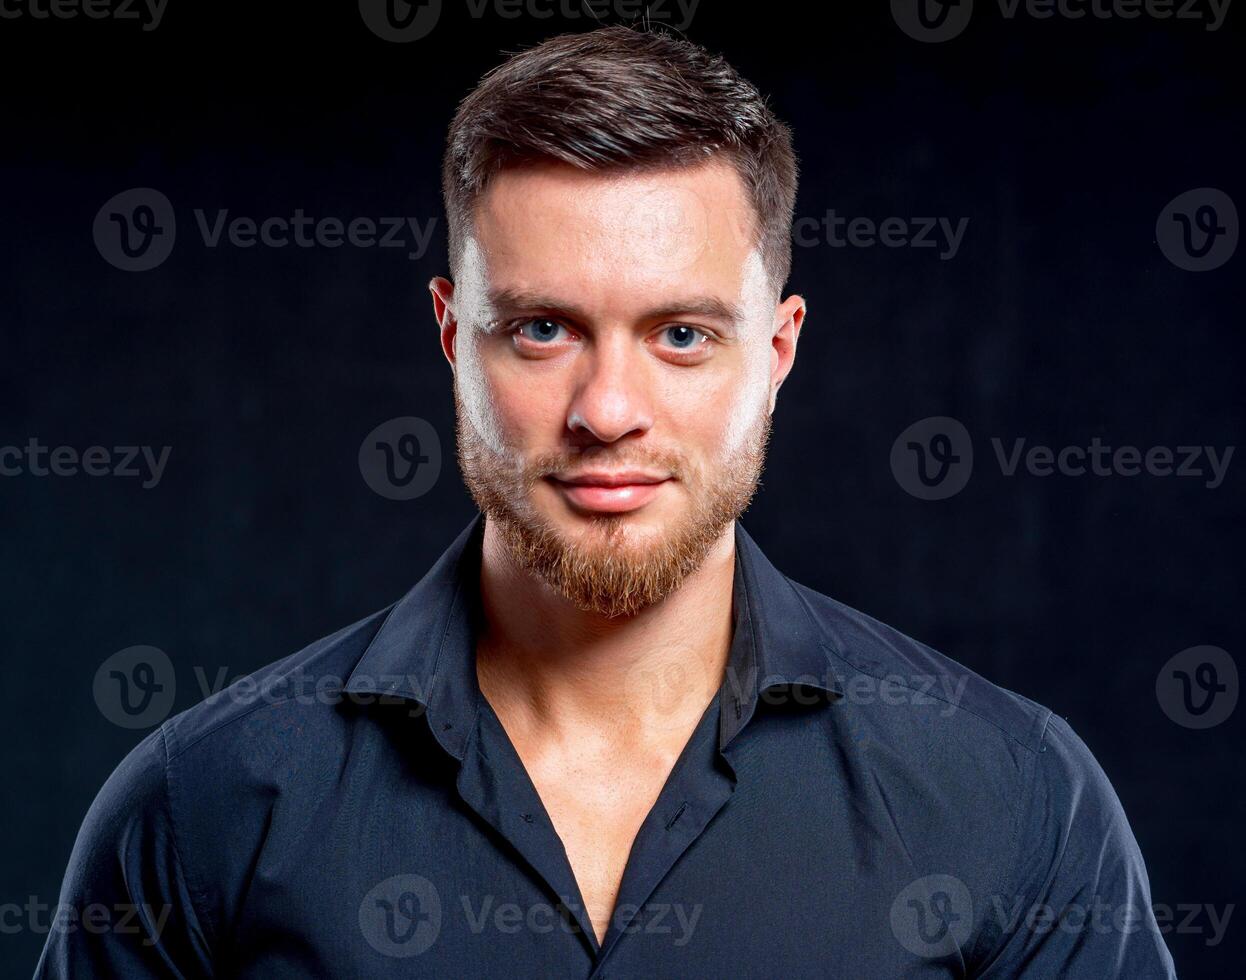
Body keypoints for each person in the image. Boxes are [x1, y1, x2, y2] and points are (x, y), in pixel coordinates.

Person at [37, 25, 1177, 978]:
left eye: (681, 334)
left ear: (776, 351)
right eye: (542, 328)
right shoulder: (201, 809)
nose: (607, 408)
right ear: (451, 335)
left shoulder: (1014, 798)